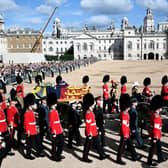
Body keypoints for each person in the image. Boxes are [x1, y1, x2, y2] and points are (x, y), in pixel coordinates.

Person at [82, 93, 109, 163]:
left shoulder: (90, 111)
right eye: (93, 104)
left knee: (98, 143)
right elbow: (88, 124)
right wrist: (89, 133)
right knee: (87, 145)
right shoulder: (88, 112)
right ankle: (85, 157)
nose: (94, 105)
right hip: (90, 131)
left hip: (94, 130)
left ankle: (102, 154)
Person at [116, 94, 142, 165]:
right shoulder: (124, 114)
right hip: (125, 133)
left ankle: (135, 156)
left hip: (127, 132)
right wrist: (125, 135)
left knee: (130, 144)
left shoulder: (125, 112)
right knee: (121, 146)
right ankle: (118, 159)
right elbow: (124, 126)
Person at [147, 95, 167, 166]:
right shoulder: (156, 116)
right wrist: (155, 137)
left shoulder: (154, 114)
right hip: (155, 135)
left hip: (157, 134)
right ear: (158, 108)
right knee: (152, 149)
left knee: (159, 146)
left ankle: (160, 158)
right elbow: (156, 128)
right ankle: (149, 161)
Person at [24, 93, 45, 160]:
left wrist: (37, 127)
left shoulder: (32, 111)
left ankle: (39, 152)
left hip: (34, 128)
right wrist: (28, 131)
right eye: (34, 104)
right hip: (30, 129)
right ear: (30, 105)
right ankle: (28, 154)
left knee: (38, 141)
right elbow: (26, 123)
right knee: (29, 143)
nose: (35, 105)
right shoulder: (27, 112)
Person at [47, 92, 64, 161]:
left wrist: (61, 128)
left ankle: (58, 153)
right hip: (55, 130)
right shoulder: (51, 111)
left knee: (61, 142)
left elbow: (58, 121)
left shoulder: (55, 110)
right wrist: (53, 131)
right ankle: (54, 156)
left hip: (58, 128)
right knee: (54, 144)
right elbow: (51, 122)